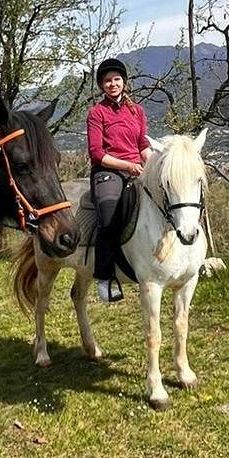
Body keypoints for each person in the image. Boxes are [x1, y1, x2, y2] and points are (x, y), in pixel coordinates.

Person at [86, 57, 150, 303]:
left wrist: (152, 165)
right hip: (109, 171)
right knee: (109, 215)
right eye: (107, 81)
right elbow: (97, 153)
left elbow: (142, 144)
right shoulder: (97, 113)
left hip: (137, 168)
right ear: (101, 85)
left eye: (116, 79)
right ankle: (104, 277)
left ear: (124, 82)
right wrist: (128, 166)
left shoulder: (137, 111)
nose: (112, 84)